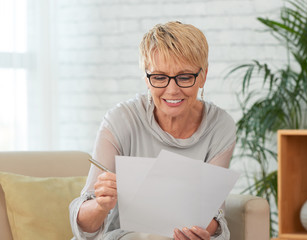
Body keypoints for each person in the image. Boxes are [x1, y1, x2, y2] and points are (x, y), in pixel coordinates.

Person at [69, 21, 236, 240]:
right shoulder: (120, 120)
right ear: (147, 78)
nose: (172, 90)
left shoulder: (220, 126)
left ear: (202, 76)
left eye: (185, 77)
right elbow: (84, 225)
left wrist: (201, 231)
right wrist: (101, 205)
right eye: (159, 77)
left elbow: (213, 213)